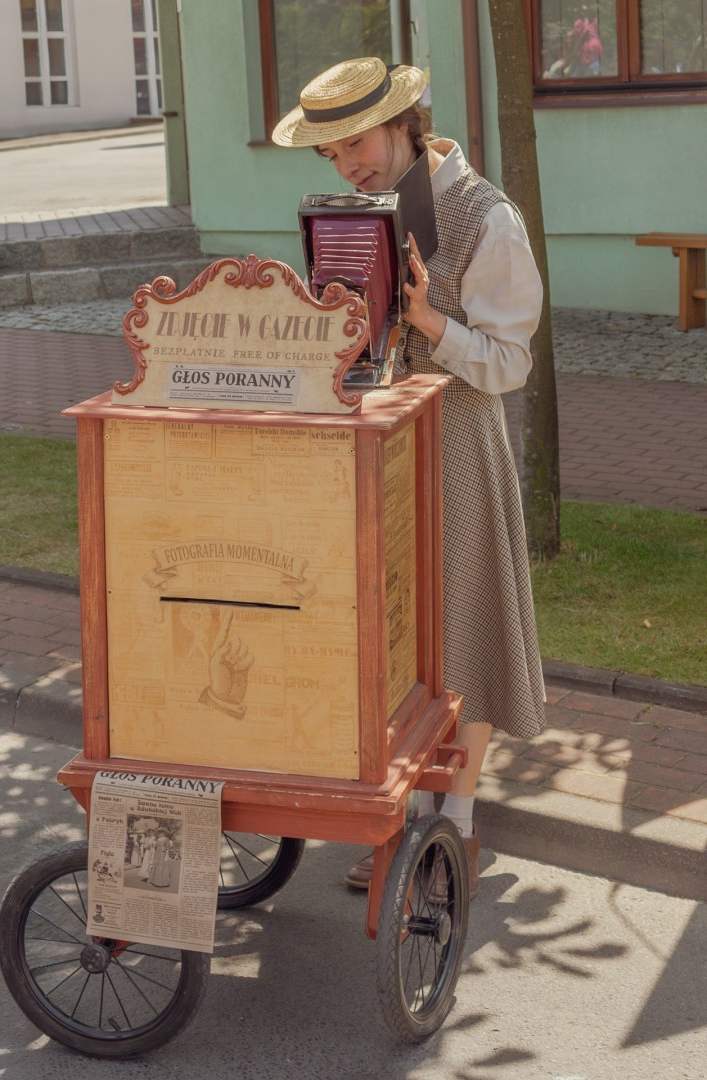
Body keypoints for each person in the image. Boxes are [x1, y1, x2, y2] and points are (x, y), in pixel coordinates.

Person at [272, 57, 547, 898]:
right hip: (374, 442)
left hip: (458, 438)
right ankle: (401, 812)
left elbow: (510, 363)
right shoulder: (353, 215)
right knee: (388, 636)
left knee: (461, 631)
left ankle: (450, 829)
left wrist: (432, 322)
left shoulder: (483, 214)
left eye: (354, 142)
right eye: (330, 154)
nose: (346, 164)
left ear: (402, 123)